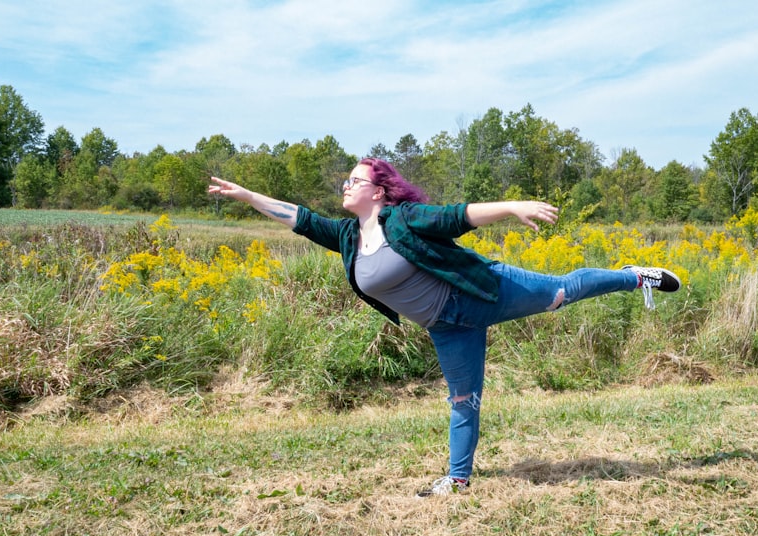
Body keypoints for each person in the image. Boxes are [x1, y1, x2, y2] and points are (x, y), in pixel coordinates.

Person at [208, 158, 681, 497]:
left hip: (481, 290)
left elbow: (458, 215)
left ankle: (633, 275)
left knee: (560, 293)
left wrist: (512, 205)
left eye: (354, 180)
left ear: (377, 191)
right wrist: (248, 196)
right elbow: (299, 218)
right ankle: (458, 479)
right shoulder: (349, 237)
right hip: (448, 327)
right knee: (462, 400)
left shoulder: (403, 219)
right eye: (346, 180)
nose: (345, 186)